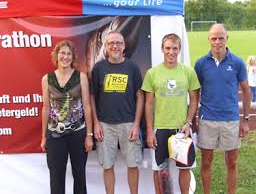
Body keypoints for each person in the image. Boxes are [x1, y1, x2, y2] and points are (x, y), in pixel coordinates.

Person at [194, 23, 251, 194]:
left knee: (232, 162)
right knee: (206, 162)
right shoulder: (200, 64)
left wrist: (246, 119)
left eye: (221, 38)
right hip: (207, 120)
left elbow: (247, 91)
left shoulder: (238, 62)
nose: (217, 41)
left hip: (231, 120)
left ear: (227, 38)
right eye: (214, 38)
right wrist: (194, 119)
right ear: (209, 40)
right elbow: (195, 93)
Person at [142, 33, 200, 194]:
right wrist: (149, 131)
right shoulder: (152, 73)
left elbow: (194, 99)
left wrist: (188, 122)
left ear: (179, 50)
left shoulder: (188, 72)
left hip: (182, 129)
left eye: (175, 48)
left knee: (185, 168)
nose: (171, 52)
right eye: (168, 48)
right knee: (159, 169)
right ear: (162, 49)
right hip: (160, 128)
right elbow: (148, 103)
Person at [90, 31, 144, 194]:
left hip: (128, 124)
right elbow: (92, 97)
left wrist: (136, 125)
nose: (115, 46)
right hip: (105, 125)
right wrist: (96, 123)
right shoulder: (99, 68)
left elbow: (140, 97)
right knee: (107, 166)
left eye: (118, 43)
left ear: (124, 46)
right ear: (105, 47)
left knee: (133, 165)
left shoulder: (132, 67)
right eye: (111, 43)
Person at [41, 40, 93, 194]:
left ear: (73, 57)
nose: (65, 57)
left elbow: (87, 106)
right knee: (56, 177)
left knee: (79, 175)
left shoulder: (81, 77)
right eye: (62, 53)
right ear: (56, 55)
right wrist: (44, 137)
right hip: (55, 134)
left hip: (78, 132)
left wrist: (89, 135)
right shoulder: (47, 79)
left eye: (69, 54)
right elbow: (46, 108)